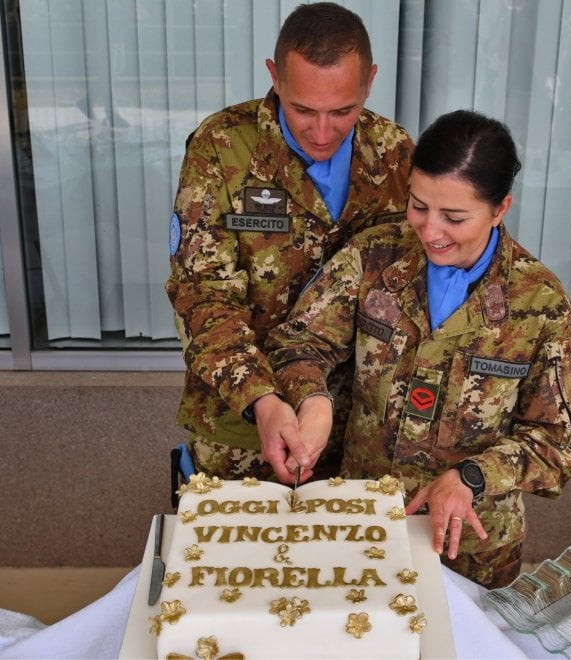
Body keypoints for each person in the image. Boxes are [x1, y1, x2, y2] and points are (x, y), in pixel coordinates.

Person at [264, 109, 571, 588]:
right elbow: (299, 342)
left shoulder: (539, 303)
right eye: (419, 206)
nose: (430, 231)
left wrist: (474, 477)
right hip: (361, 520)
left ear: (500, 209)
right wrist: (313, 399)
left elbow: (559, 443)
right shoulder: (373, 256)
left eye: (454, 217)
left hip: (470, 550)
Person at [165, 2, 414, 484]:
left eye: (343, 110)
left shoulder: (395, 153)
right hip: (244, 420)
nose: (323, 132)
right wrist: (262, 398)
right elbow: (202, 295)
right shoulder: (221, 148)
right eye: (302, 109)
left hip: (359, 426)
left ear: (371, 81)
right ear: (275, 77)